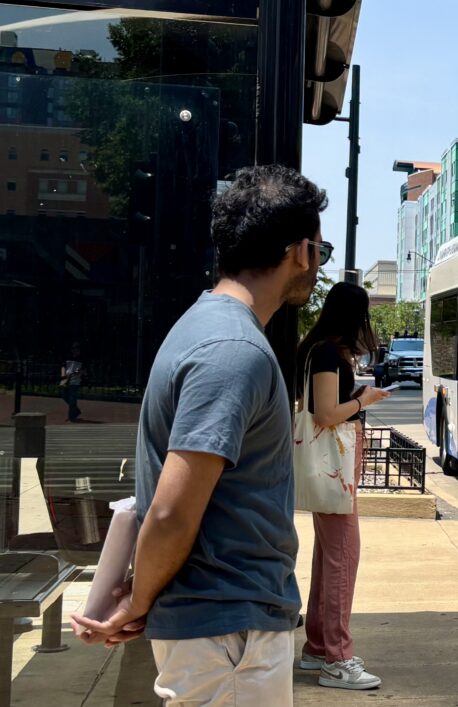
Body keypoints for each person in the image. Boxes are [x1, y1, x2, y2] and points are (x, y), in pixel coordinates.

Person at [71, 165, 330, 707]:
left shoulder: (203, 325)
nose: (316, 264)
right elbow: (170, 512)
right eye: (320, 252)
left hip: (220, 633)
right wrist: (135, 603)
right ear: (301, 252)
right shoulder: (234, 350)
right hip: (229, 637)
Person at [295, 283, 389, 690]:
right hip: (333, 468)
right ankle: (337, 658)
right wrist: (365, 400)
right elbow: (327, 412)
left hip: (333, 467)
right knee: (342, 558)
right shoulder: (328, 353)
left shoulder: (318, 348)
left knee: (330, 556)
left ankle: (318, 647)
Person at [59, 342, 84, 421]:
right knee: (63, 395)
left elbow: (84, 370)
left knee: (72, 398)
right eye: (74, 349)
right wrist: (63, 376)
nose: (76, 351)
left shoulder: (82, 359)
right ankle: (75, 411)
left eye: (77, 350)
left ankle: (72, 417)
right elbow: (63, 366)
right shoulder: (67, 357)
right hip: (66, 379)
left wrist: (79, 372)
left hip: (75, 380)